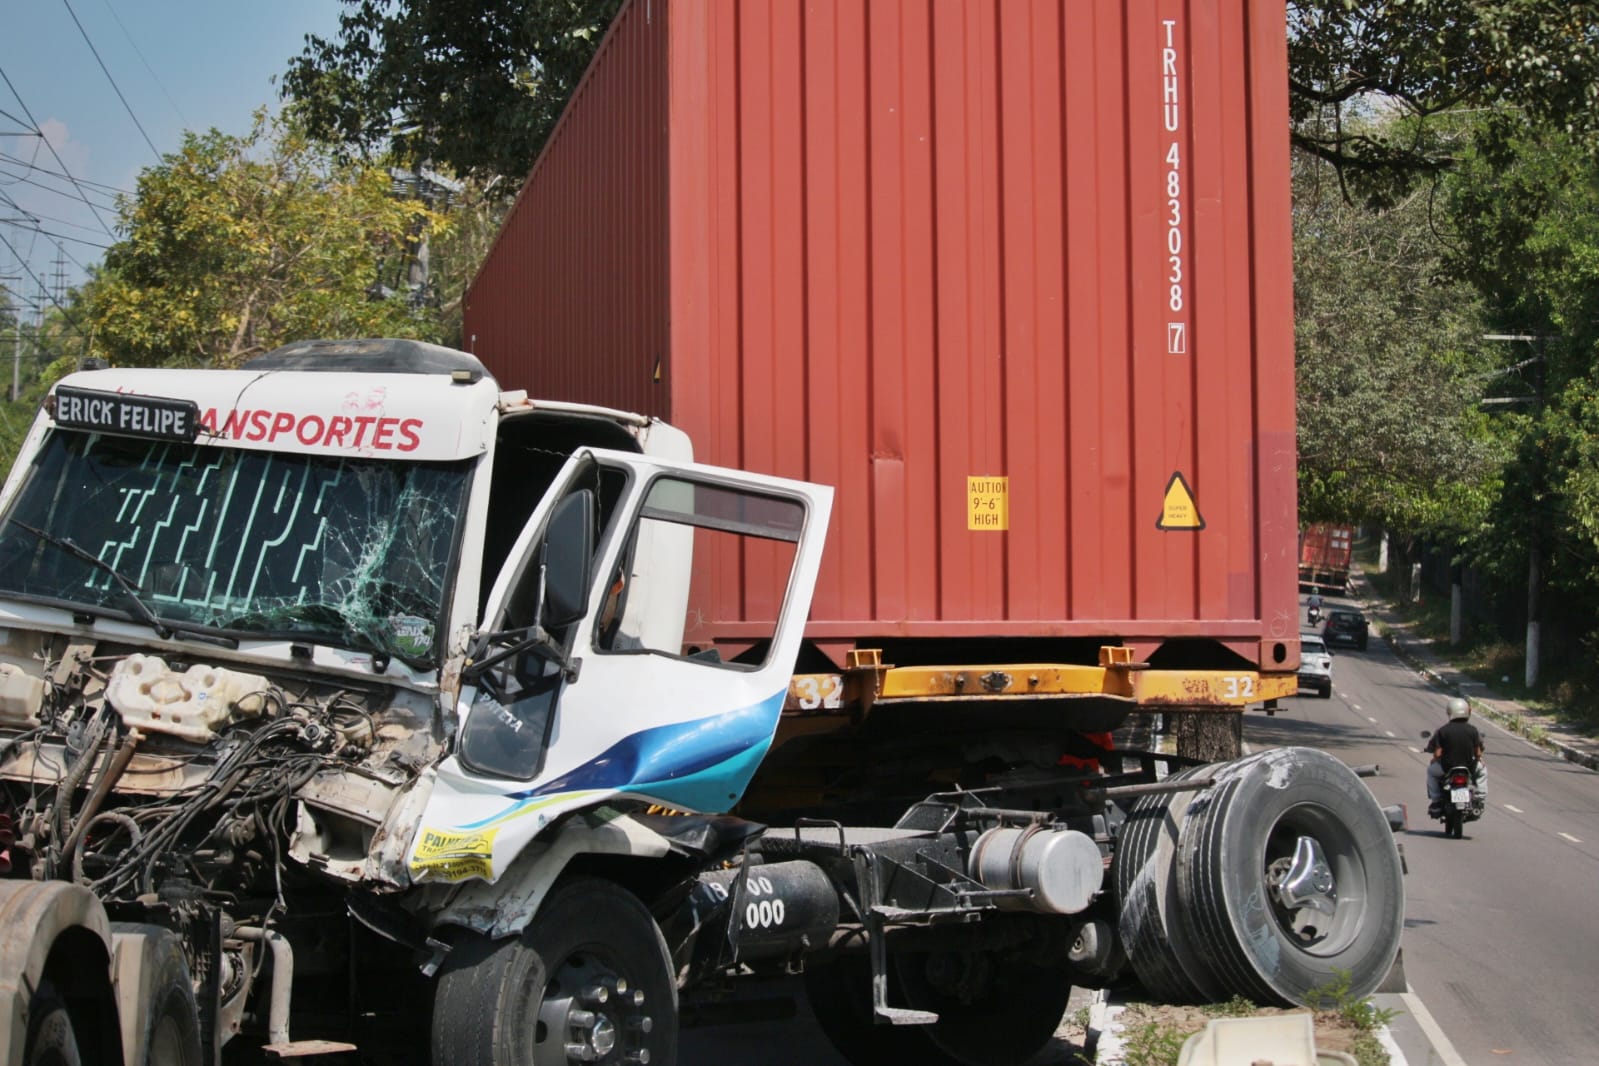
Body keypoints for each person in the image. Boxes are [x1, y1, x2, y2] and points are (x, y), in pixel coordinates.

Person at [1425, 697, 1486, 814]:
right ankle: (1480, 798)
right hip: (1469, 767)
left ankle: (1436, 801)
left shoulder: (1443, 731)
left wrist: (1434, 759)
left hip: (1447, 767)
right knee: (1483, 772)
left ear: (1450, 711)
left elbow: (1438, 753)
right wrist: (1480, 760)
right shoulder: (1473, 730)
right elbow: (1478, 752)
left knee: (1431, 772)